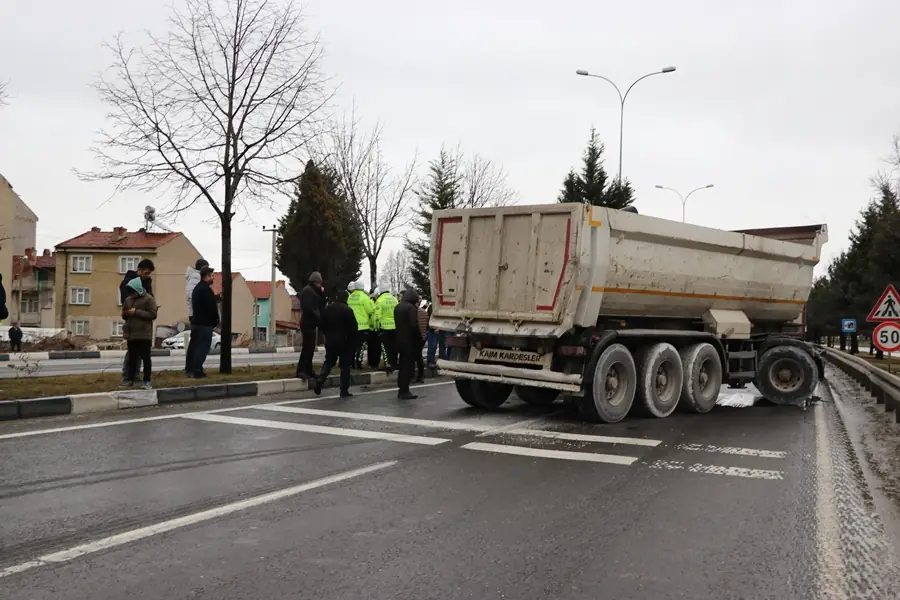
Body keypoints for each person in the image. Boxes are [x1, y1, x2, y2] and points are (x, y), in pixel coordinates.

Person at [314, 290, 358, 397]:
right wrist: (352, 343)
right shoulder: (348, 310)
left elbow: (321, 325)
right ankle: (344, 390)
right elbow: (354, 328)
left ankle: (321, 378)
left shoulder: (328, 309)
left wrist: (327, 334)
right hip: (345, 343)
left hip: (330, 341)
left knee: (328, 362)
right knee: (345, 366)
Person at [119, 259, 155, 382]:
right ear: (138, 271)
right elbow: (126, 302)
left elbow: (150, 300)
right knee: (132, 353)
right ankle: (128, 375)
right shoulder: (129, 283)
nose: (147, 275)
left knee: (141, 353)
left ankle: (135, 374)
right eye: (145, 273)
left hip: (143, 325)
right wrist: (137, 310)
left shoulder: (146, 282)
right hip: (133, 324)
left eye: (149, 273)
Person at [189, 266, 219, 378]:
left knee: (197, 347)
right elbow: (211, 307)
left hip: (198, 322)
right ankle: (197, 370)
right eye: (212, 276)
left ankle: (194, 369)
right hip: (204, 324)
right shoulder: (205, 290)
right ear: (206, 276)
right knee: (202, 348)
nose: (213, 278)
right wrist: (215, 320)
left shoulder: (197, 289)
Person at [296, 271, 324, 379]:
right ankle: (301, 370)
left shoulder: (313, 291)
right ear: (315, 282)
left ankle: (308, 369)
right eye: (319, 282)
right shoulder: (308, 291)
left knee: (310, 348)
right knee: (307, 348)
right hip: (307, 323)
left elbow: (319, 304)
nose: (320, 285)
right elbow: (309, 308)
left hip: (311, 323)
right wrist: (318, 316)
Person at [394, 288, 421, 400]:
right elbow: (414, 326)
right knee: (408, 366)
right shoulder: (411, 308)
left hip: (399, 340)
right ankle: (405, 390)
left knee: (402, 364)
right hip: (409, 341)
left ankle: (401, 387)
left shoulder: (397, 307)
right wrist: (419, 339)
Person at [184, 258, 209, 375]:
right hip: (197, 314)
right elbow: (191, 294)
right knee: (198, 343)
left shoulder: (195, 277)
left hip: (196, 314)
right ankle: (193, 368)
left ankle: (192, 368)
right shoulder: (196, 277)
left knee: (196, 342)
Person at [347, 280, 374, 369]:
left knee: (352, 345)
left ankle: (350, 362)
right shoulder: (365, 297)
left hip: (351, 325)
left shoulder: (350, 297)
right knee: (361, 345)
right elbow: (370, 310)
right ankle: (358, 362)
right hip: (363, 325)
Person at [374, 283, 398, 373]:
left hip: (384, 327)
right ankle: (394, 363)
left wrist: (377, 328)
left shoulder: (380, 301)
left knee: (386, 347)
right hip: (395, 327)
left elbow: (377, 317)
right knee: (394, 347)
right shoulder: (394, 299)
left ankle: (388, 364)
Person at [415, 299, 429, 383]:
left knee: (414, 357)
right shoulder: (424, 312)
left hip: (415, 338)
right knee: (419, 357)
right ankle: (421, 376)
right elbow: (427, 325)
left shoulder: (413, 312)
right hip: (422, 338)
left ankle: (414, 376)